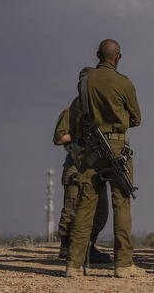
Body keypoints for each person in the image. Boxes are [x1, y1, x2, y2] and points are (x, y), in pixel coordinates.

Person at [65, 39, 144, 278]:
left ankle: (73, 264)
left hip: (91, 147)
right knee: (121, 202)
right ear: (117, 57)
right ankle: (123, 264)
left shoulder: (85, 82)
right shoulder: (124, 82)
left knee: (86, 204)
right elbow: (136, 119)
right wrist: (117, 122)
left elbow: (79, 116)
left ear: (97, 55)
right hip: (117, 145)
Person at [53, 83, 110, 264]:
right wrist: (81, 133)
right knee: (72, 207)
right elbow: (59, 138)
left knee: (100, 211)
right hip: (76, 165)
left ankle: (88, 247)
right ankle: (66, 247)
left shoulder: (101, 108)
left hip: (95, 167)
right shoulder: (71, 110)